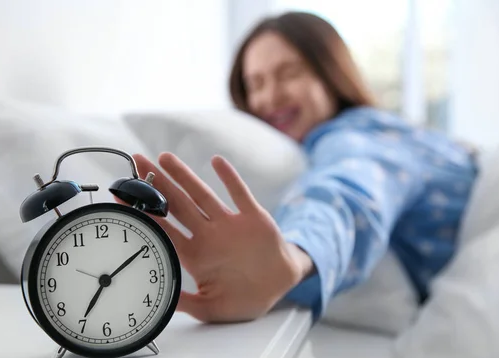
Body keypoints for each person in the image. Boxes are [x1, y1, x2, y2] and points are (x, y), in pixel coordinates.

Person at [126, 11, 478, 323]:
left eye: (289, 73)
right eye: (256, 84)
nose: (270, 97)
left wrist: (292, 256)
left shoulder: (352, 137)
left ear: (331, 74)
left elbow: (347, 192)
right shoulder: (384, 129)